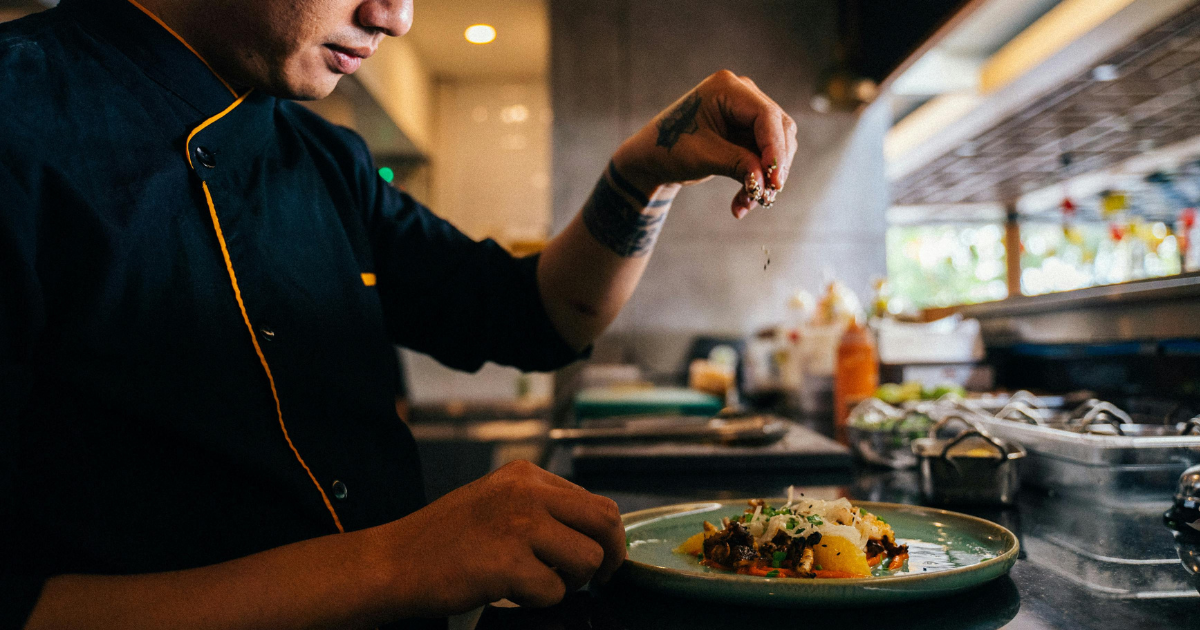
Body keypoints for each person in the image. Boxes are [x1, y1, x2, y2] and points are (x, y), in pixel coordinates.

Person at [0, 0, 798, 627]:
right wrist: (396, 564)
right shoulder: (18, 115)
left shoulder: (322, 160)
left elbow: (537, 316)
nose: (397, 15)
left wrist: (643, 169)